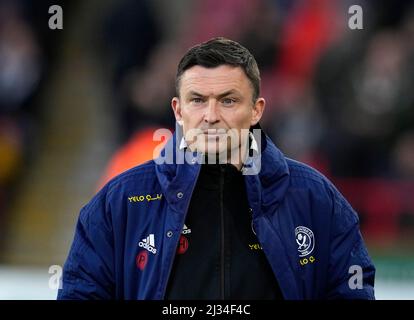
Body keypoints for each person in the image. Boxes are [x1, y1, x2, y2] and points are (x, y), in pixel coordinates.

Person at [57, 37, 375, 300]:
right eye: (197, 100)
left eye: (227, 101)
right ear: (178, 111)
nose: (210, 115)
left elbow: (352, 291)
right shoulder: (119, 202)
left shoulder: (315, 199)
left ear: (256, 110)